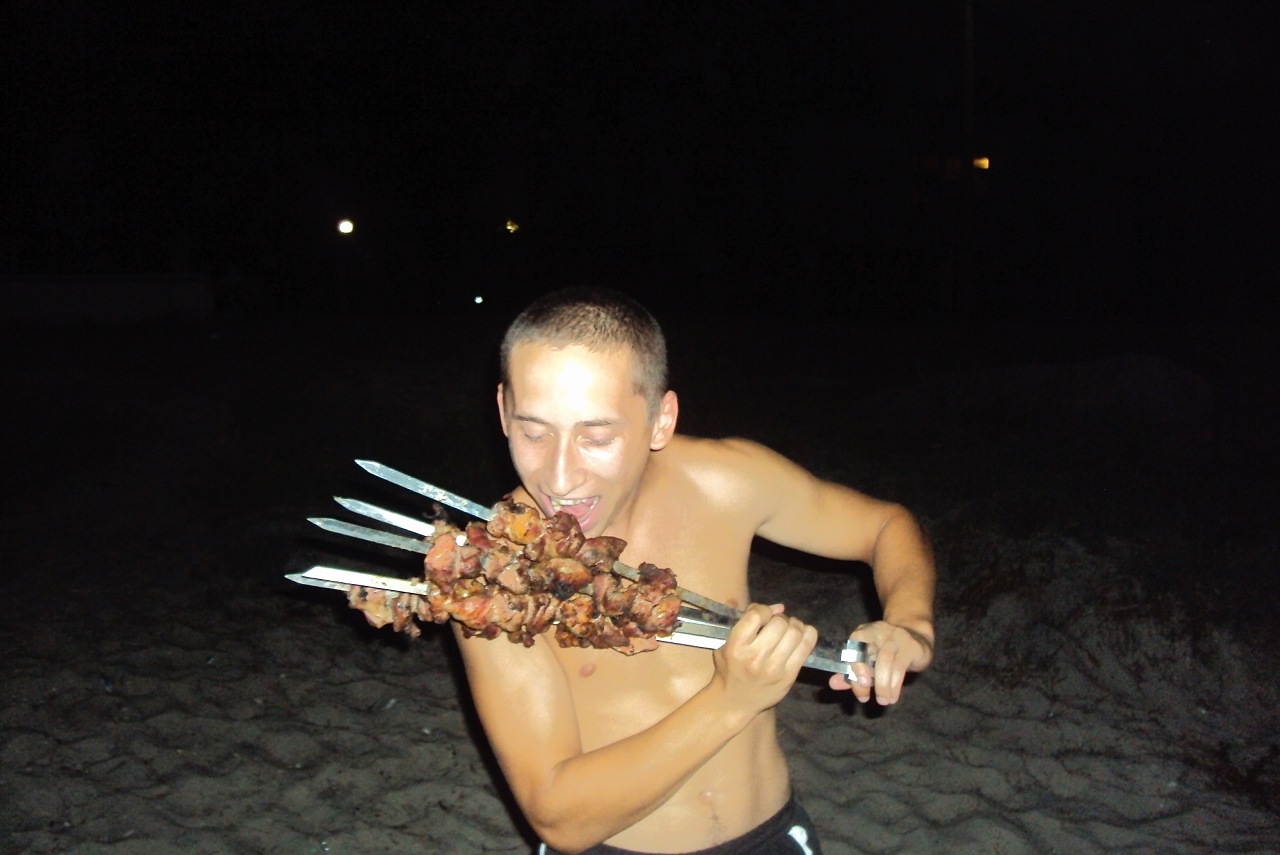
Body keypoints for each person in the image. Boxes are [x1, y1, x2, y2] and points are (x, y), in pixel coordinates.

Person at [453, 288, 935, 855]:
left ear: (660, 421)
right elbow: (559, 819)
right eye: (534, 432)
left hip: (770, 835)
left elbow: (885, 527)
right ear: (503, 410)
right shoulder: (492, 575)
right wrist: (732, 699)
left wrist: (909, 624)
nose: (559, 477)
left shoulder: (725, 481)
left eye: (597, 437)